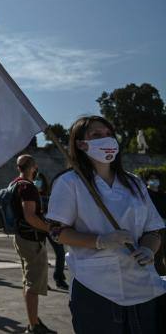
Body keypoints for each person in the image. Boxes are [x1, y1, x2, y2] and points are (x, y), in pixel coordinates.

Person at [48, 116, 165, 334]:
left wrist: (149, 248)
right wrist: (99, 241)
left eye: (109, 134)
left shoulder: (135, 183)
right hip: (96, 291)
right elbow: (56, 231)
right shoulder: (69, 183)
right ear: (81, 144)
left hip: (143, 289)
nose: (107, 140)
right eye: (97, 135)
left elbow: (153, 229)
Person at [8, 155, 56, 334]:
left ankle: (33, 320)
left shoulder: (15, 183)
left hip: (20, 236)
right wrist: (49, 228)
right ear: (33, 167)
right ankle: (34, 326)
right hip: (30, 239)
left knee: (28, 281)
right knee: (33, 284)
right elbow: (30, 216)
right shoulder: (27, 187)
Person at [35, 173, 68, 290]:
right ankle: (43, 281)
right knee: (41, 255)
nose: (37, 183)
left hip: (51, 227)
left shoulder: (50, 195)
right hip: (38, 227)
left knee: (60, 253)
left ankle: (59, 278)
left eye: (39, 181)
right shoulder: (32, 195)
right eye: (35, 180)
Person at [144, 173, 166, 276]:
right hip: (152, 228)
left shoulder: (162, 195)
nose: (154, 181)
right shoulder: (145, 193)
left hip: (163, 225)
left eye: (156, 178)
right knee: (155, 252)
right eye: (151, 178)